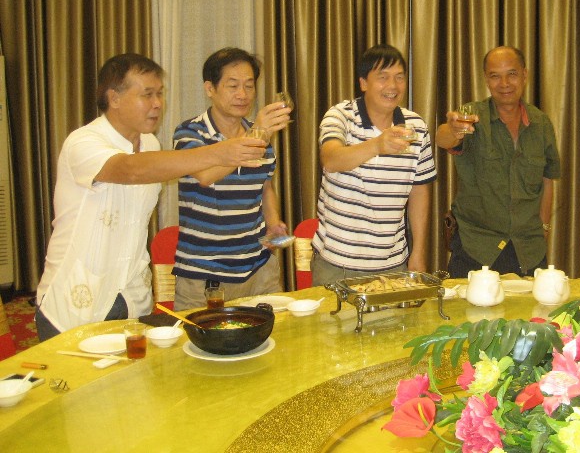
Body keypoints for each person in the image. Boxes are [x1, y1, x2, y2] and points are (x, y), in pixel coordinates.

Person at [35, 54, 266, 340]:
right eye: (147, 94)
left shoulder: (150, 143)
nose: (157, 103)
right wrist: (222, 151)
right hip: (78, 298)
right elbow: (130, 170)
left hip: (133, 296)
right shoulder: (83, 142)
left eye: (159, 93)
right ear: (114, 98)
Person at [172, 47, 292, 310]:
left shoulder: (257, 134)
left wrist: (273, 223)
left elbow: (265, 185)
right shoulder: (190, 132)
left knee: (275, 333)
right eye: (233, 86)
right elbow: (206, 175)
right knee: (198, 337)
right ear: (210, 88)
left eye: (249, 86)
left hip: (259, 269)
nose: (243, 95)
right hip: (204, 276)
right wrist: (258, 134)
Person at [311, 44, 436, 285]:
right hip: (336, 264)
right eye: (383, 77)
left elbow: (420, 190)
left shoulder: (416, 126)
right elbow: (331, 159)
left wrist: (418, 251)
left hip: (393, 263)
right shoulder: (341, 115)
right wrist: (377, 145)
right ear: (363, 83)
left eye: (399, 77)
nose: (393, 86)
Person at [435, 46, 561, 278]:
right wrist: (453, 129)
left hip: (528, 250)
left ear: (524, 75)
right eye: (495, 76)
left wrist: (544, 228)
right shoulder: (472, 116)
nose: (504, 83)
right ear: (486, 79)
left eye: (511, 74)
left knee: (536, 304)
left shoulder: (541, 124)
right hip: (477, 247)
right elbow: (443, 138)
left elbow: (547, 180)